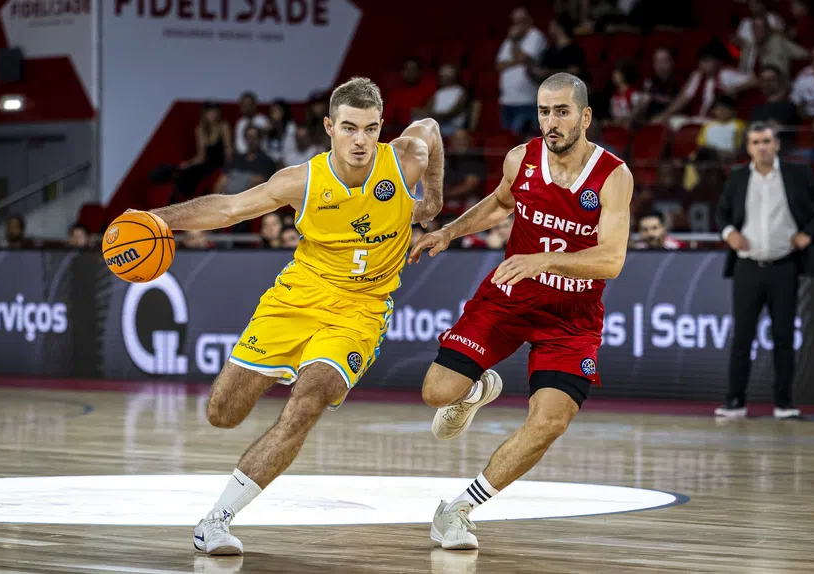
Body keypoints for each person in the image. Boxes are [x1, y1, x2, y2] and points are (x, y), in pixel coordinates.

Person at [135, 77, 444, 556]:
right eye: (349, 128)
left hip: (360, 311)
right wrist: (159, 218)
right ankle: (285, 365)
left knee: (308, 401)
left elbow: (431, 129)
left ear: (382, 127)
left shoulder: (404, 160)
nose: (360, 140)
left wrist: (433, 197)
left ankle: (216, 521)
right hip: (298, 298)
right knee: (223, 413)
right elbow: (229, 209)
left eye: (370, 129)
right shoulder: (301, 180)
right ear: (329, 127)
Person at [409, 73, 633, 550]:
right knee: (436, 393)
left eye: (562, 112)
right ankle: (476, 390)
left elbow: (611, 260)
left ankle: (458, 510)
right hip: (511, 297)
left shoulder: (613, 175)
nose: (551, 122)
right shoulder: (521, 158)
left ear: (585, 117)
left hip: (571, 317)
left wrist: (544, 260)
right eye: (544, 112)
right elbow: (499, 204)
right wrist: (449, 232)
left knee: (550, 421)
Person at [716, 121, 814, 420]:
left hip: (784, 266)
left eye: (767, 141)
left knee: (783, 336)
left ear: (777, 144)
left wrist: (809, 232)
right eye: (756, 142)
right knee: (742, 337)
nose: (762, 147)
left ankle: (784, 403)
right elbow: (722, 212)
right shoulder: (738, 176)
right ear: (748, 147)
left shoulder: (798, 173)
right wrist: (729, 233)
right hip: (747, 267)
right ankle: (735, 402)